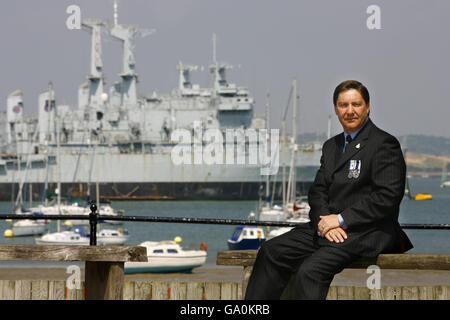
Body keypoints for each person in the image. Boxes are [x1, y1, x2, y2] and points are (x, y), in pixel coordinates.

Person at [245, 80, 413, 300]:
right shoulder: (331, 146)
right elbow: (318, 191)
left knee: (310, 272)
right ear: (336, 109)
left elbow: (387, 198)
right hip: (329, 227)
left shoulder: (384, 144)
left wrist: (341, 219)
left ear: (368, 107)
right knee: (270, 252)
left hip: (368, 230)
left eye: (356, 104)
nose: (350, 111)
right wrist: (325, 222)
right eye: (343, 105)